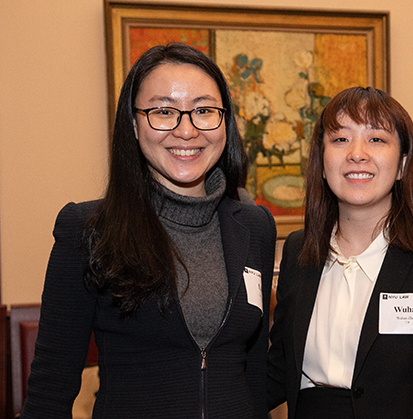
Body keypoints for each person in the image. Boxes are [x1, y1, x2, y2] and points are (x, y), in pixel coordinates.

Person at [22, 43, 276, 418]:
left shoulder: (255, 226)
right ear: (134, 123)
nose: (186, 130)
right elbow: (50, 389)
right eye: (163, 111)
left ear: (225, 122)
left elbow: (253, 373)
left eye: (204, 111)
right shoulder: (88, 229)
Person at [267, 86, 413, 418]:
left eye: (376, 139)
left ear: (402, 164)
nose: (357, 153)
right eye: (340, 139)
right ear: (321, 161)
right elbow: (277, 370)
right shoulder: (299, 253)